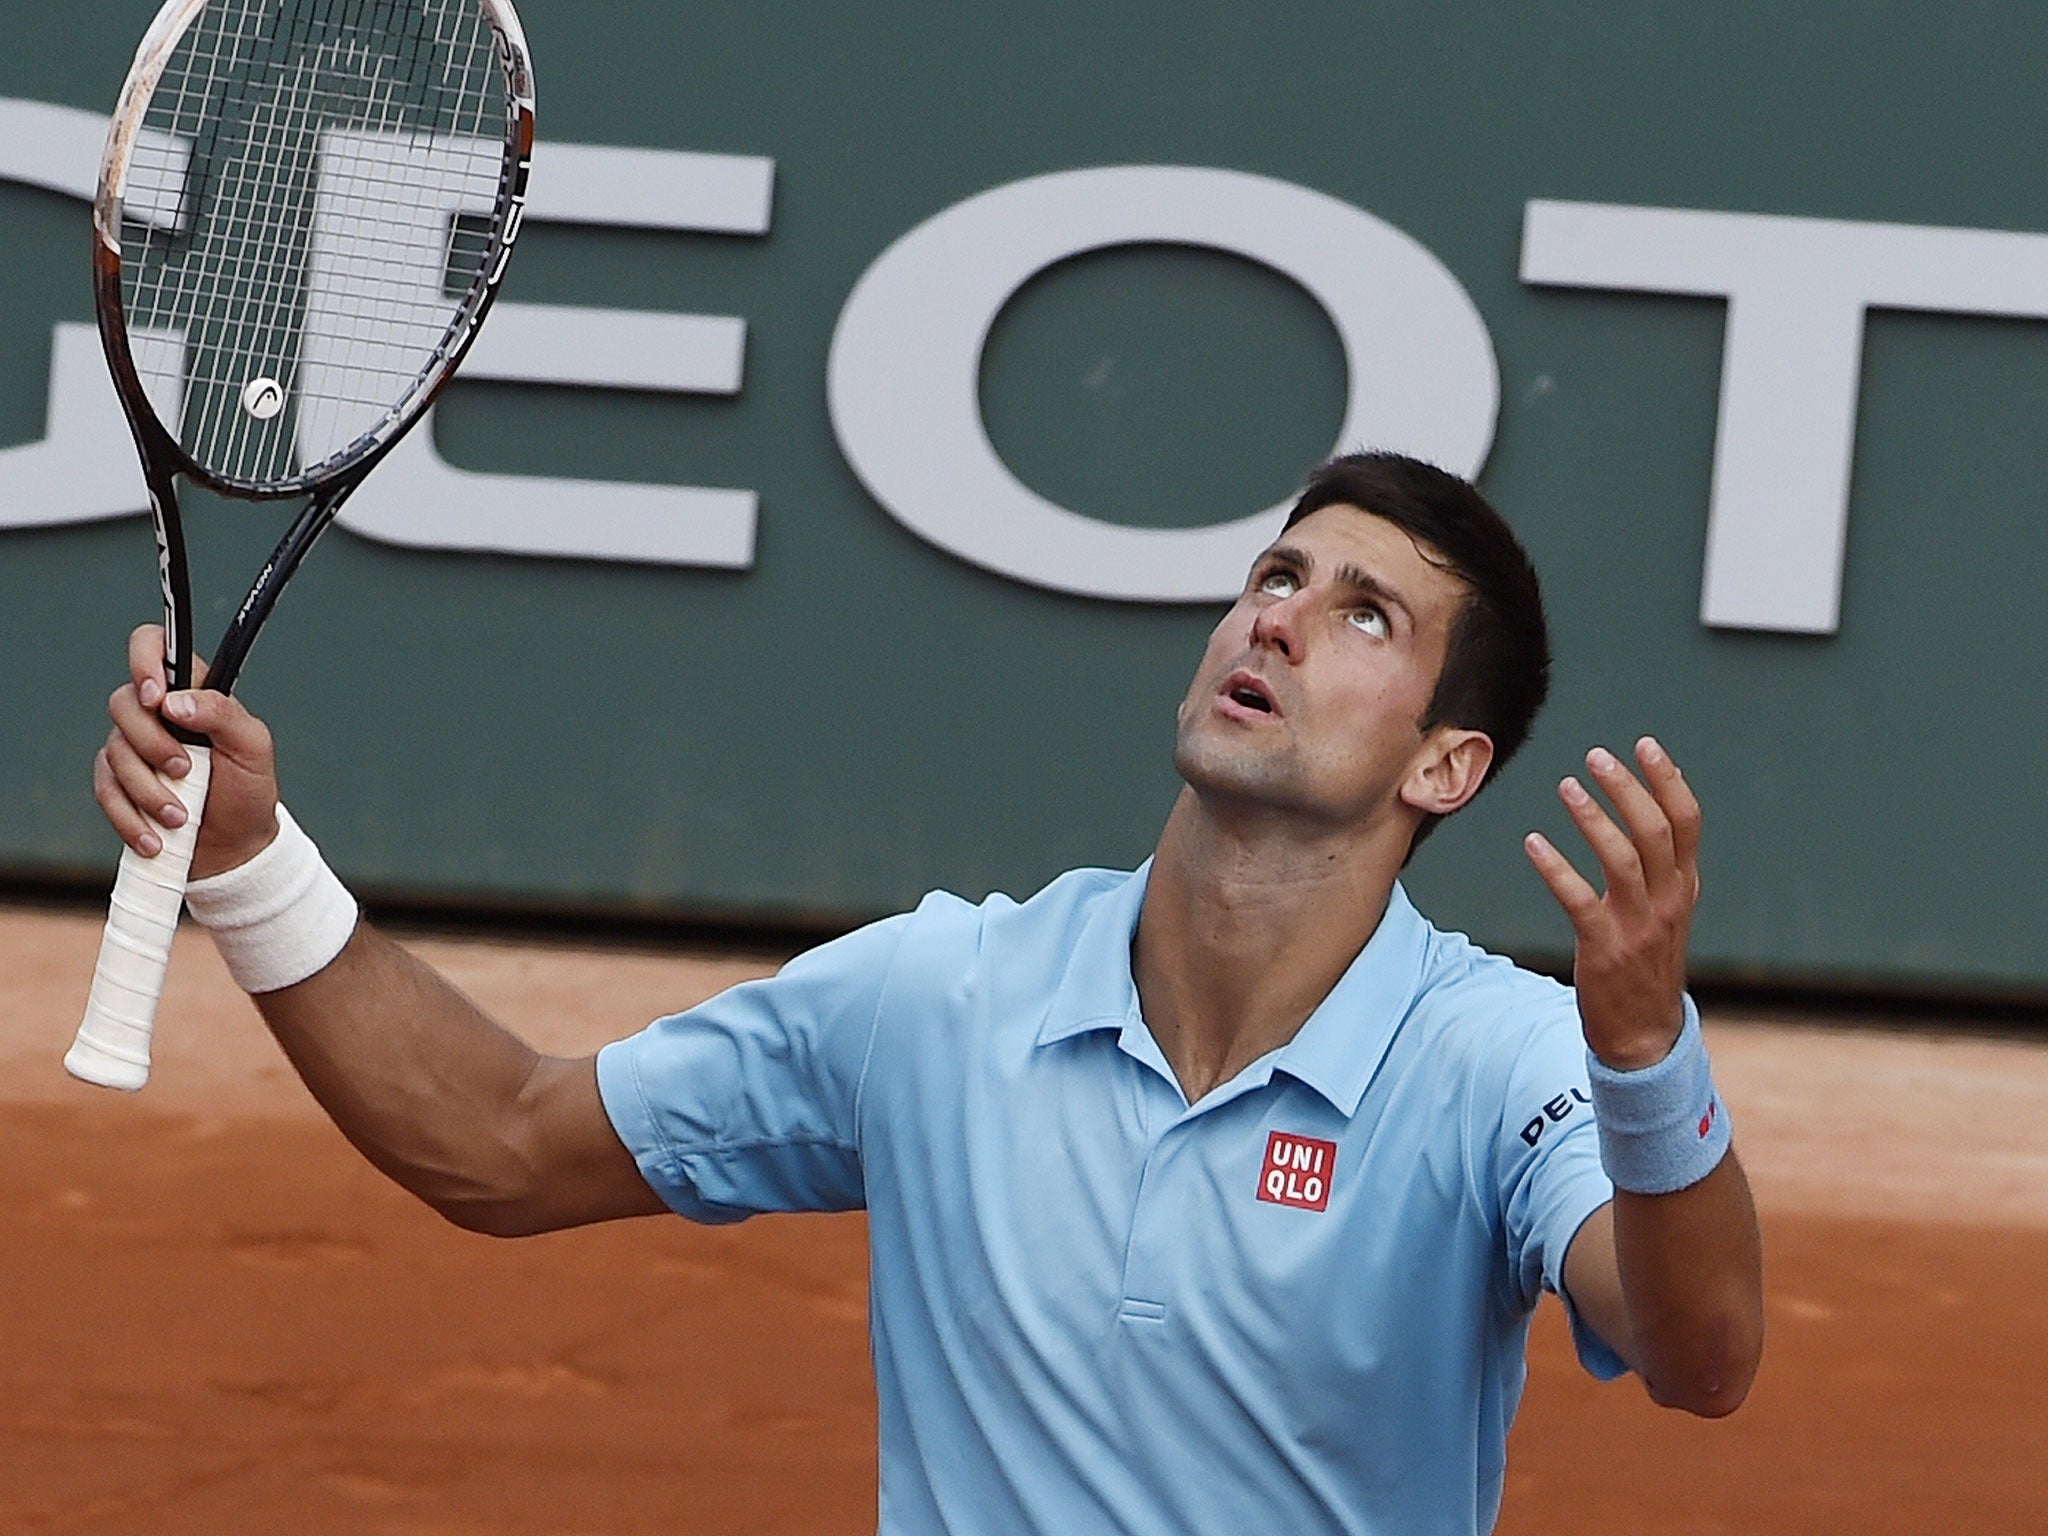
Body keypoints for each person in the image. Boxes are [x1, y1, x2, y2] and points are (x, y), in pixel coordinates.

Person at [94, 451, 1763, 1536]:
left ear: (1448, 765)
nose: (1280, 619)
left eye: (1363, 613)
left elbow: (1699, 1354)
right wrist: (247, 855)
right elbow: (504, 1139)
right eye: (1276, 574)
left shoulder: (1498, 1059)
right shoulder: (947, 995)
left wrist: (1640, 1056)